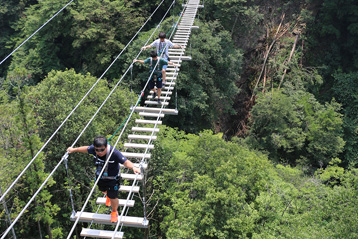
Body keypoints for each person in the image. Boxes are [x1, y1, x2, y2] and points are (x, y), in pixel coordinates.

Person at [67, 136, 141, 223]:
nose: (99, 152)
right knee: (103, 190)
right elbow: (85, 149)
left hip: (113, 178)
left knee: (113, 196)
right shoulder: (93, 149)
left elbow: (125, 162)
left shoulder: (114, 153)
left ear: (106, 146)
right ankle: (107, 195)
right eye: (97, 150)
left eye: (102, 150)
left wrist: (133, 167)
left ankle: (114, 212)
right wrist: (74, 149)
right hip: (101, 176)